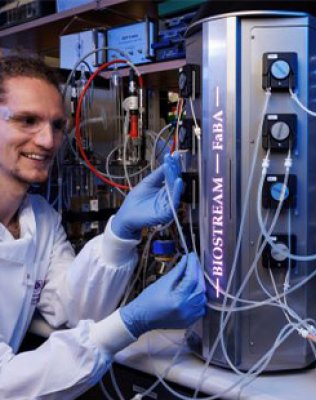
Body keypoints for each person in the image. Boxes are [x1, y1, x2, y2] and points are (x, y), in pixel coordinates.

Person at [0, 55, 206, 399]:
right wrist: (130, 323)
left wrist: (119, 233)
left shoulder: (39, 218)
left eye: (57, 125)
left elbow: (73, 310)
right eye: (27, 121)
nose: (48, 141)